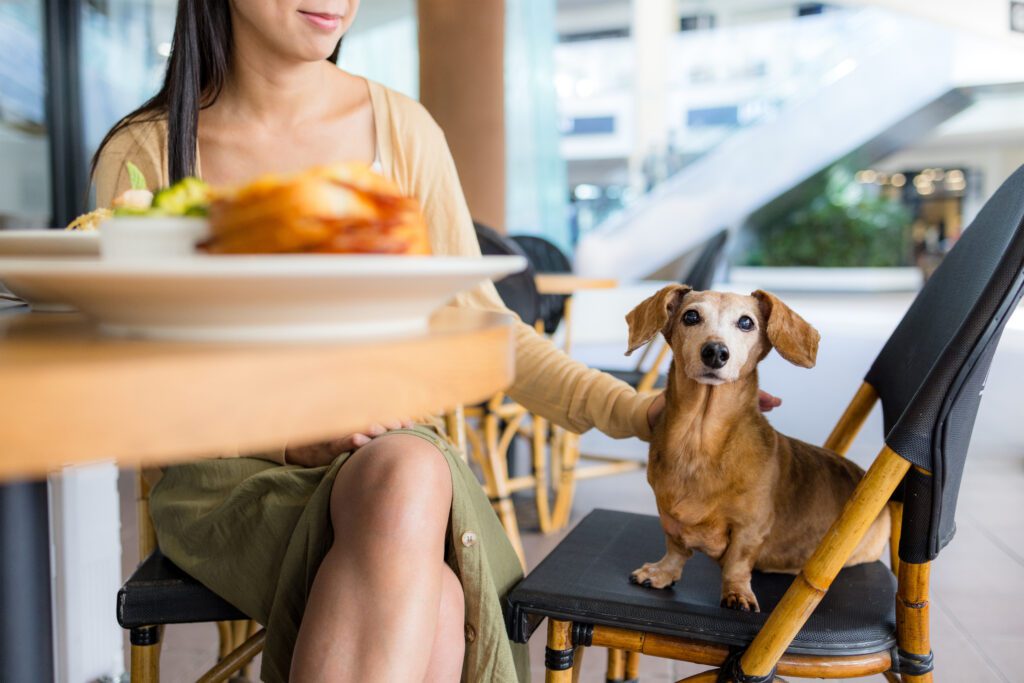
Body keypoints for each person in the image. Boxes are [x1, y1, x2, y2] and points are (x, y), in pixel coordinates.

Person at [93, 2, 781, 681]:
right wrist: (293, 438)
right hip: (229, 476)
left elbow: (485, 329)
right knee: (438, 592)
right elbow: (134, 378)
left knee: (408, 472)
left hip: (382, 463)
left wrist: (636, 411)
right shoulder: (148, 151)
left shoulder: (401, 131)